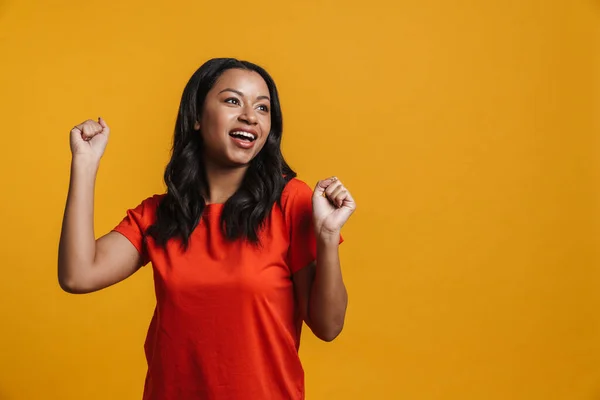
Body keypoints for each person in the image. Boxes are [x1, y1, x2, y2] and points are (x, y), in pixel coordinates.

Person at [58, 57, 356, 399]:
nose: (250, 116)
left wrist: (328, 237)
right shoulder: (159, 215)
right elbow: (77, 275)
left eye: (263, 108)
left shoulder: (292, 201)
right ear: (197, 117)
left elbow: (329, 326)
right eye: (233, 101)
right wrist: (85, 163)